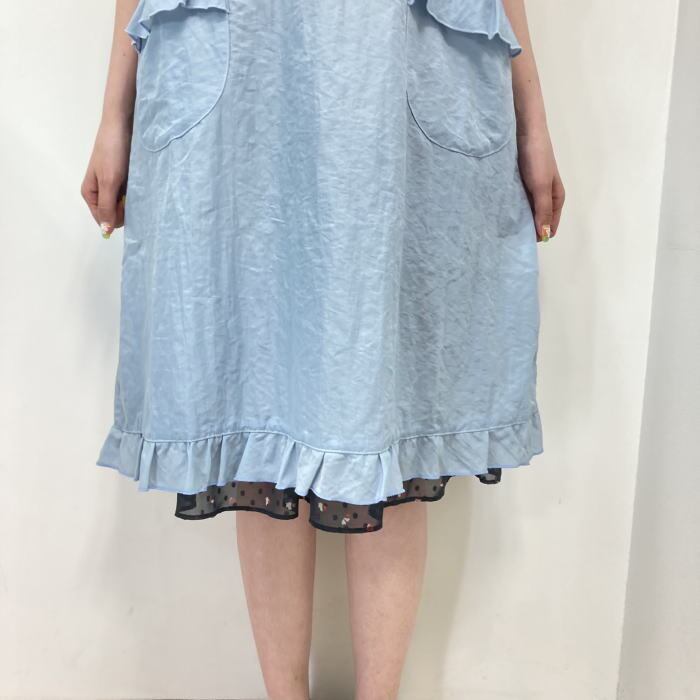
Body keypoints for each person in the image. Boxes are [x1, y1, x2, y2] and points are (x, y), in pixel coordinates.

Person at [82, 0, 564, 698]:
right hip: (239, 60)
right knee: (258, 415)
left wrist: (534, 119)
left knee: (395, 410)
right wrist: (113, 114)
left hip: (401, 59)